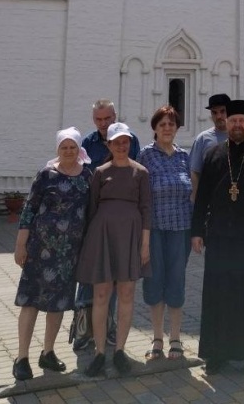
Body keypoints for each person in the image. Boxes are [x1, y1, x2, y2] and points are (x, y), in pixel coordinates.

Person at [191, 99, 244, 375]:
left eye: (242, 120)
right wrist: (197, 232)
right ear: (225, 123)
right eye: (233, 121)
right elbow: (202, 196)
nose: (237, 125)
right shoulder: (214, 154)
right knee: (220, 296)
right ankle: (217, 355)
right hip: (219, 238)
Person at [12, 127, 92, 382]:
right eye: (63, 147)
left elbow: (91, 213)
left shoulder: (87, 176)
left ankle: (48, 352)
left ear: (79, 150)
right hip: (40, 250)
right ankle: (21, 357)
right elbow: (29, 209)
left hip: (69, 254)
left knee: (58, 304)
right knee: (31, 301)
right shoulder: (46, 175)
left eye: (72, 147)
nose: (68, 151)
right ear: (58, 149)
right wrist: (21, 243)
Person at [76, 122, 151, 378]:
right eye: (116, 141)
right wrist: (90, 244)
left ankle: (119, 351)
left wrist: (145, 244)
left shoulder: (141, 172)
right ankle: (99, 352)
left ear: (130, 143)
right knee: (101, 295)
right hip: (103, 238)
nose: (122, 145)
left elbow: (146, 210)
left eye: (125, 141)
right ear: (108, 144)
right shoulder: (99, 172)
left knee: (127, 293)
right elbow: (92, 209)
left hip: (131, 238)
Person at [73, 99, 141, 352]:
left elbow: (135, 171)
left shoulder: (129, 139)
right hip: (92, 215)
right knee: (88, 275)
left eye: (107, 119)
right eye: (99, 120)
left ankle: (109, 327)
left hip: (121, 220)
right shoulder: (88, 143)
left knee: (112, 276)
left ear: (115, 116)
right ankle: (82, 329)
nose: (103, 124)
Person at [137, 105, 193, 363]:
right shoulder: (146, 156)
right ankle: (157, 337)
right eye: (162, 125)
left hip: (181, 229)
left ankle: (176, 338)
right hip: (155, 230)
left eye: (171, 124)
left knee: (176, 281)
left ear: (177, 128)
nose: (167, 128)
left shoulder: (184, 156)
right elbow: (141, 196)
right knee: (154, 281)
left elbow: (192, 192)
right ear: (155, 129)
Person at [189, 93, 244, 199]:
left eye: (222, 111)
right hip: (214, 202)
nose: (219, 116)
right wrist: (197, 201)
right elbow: (195, 172)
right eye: (214, 112)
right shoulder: (203, 139)